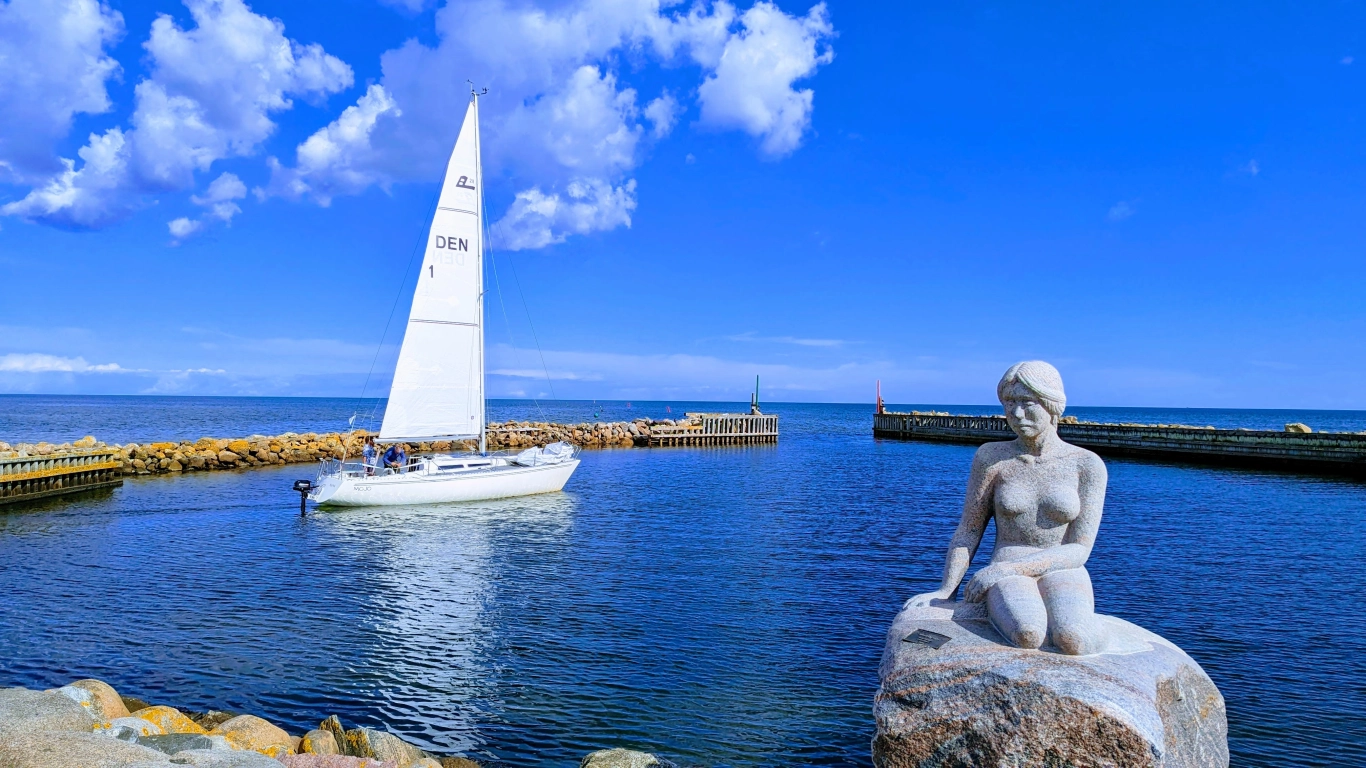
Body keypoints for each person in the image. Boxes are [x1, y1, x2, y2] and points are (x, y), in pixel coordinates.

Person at [905, 361, 1110, 656]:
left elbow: (1080, 548)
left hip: (1062, 566)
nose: (1016, 414)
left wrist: (1002, 571)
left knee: (1072, 638)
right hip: (1007, 566)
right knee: (1027, 633)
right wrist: (945, 592)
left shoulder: (1086, 465)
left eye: (1027, 403)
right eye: (1009, 404)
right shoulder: (992, 458)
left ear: (1052, 405)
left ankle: (1110, 634)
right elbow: (969, 530)